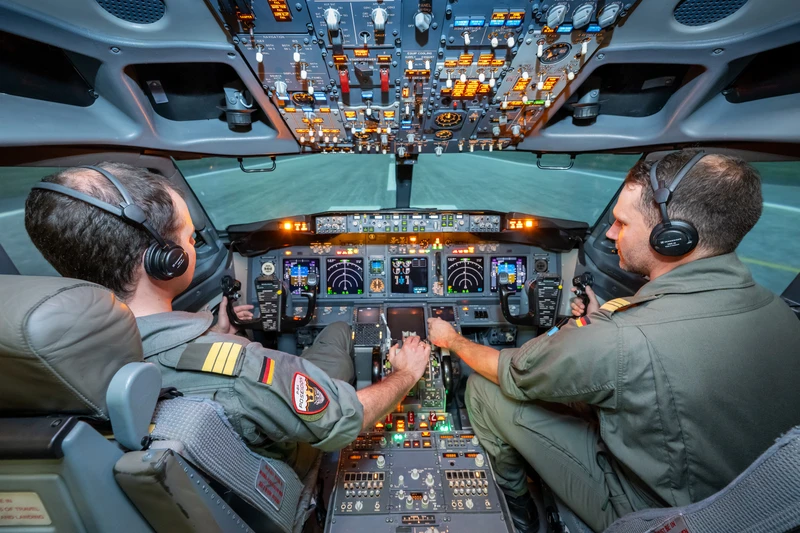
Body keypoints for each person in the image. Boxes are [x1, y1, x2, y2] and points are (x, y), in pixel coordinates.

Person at [427, 149, 800, 533]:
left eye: (621, 223)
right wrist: (596, 316)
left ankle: (516, 503)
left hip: (651, 512)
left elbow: (515, 372)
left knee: (482, 388)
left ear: (671, 238)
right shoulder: (780, 312)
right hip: (739, 504)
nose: (608, 232)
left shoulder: (622, 336)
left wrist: (452, 340)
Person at [25, 162, 430, 479]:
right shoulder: (245, 369)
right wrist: (406, 374)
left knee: (339, 329)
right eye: (188, 238)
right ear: (167, 260)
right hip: (278, 463)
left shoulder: (43, 357)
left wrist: (212, 334)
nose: (193, 246)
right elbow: (348, 419)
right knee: (340, 332)